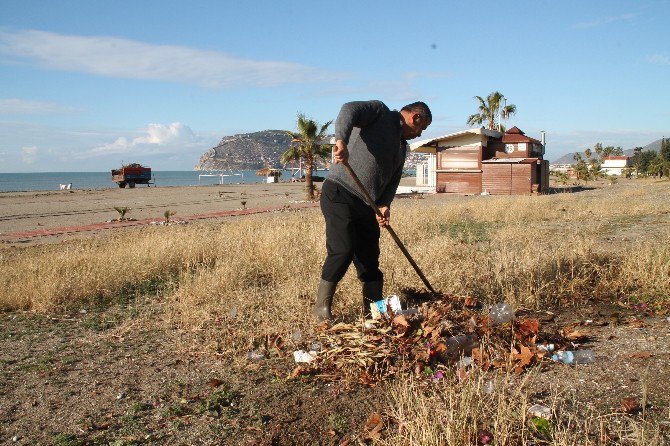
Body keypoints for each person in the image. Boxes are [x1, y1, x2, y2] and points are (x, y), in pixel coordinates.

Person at [313, 100, 432, 321]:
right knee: (343, 250)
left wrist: (385, 204)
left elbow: (393, 179)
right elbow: (348, 109)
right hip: (340, 193)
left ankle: (373, 311)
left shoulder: (401, 147)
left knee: (369, 259)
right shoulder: (380, 113)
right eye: (421, 128)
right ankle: (321, 309)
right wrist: (341, 141)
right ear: (415, 117)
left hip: (367, 204)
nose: (419, 134)